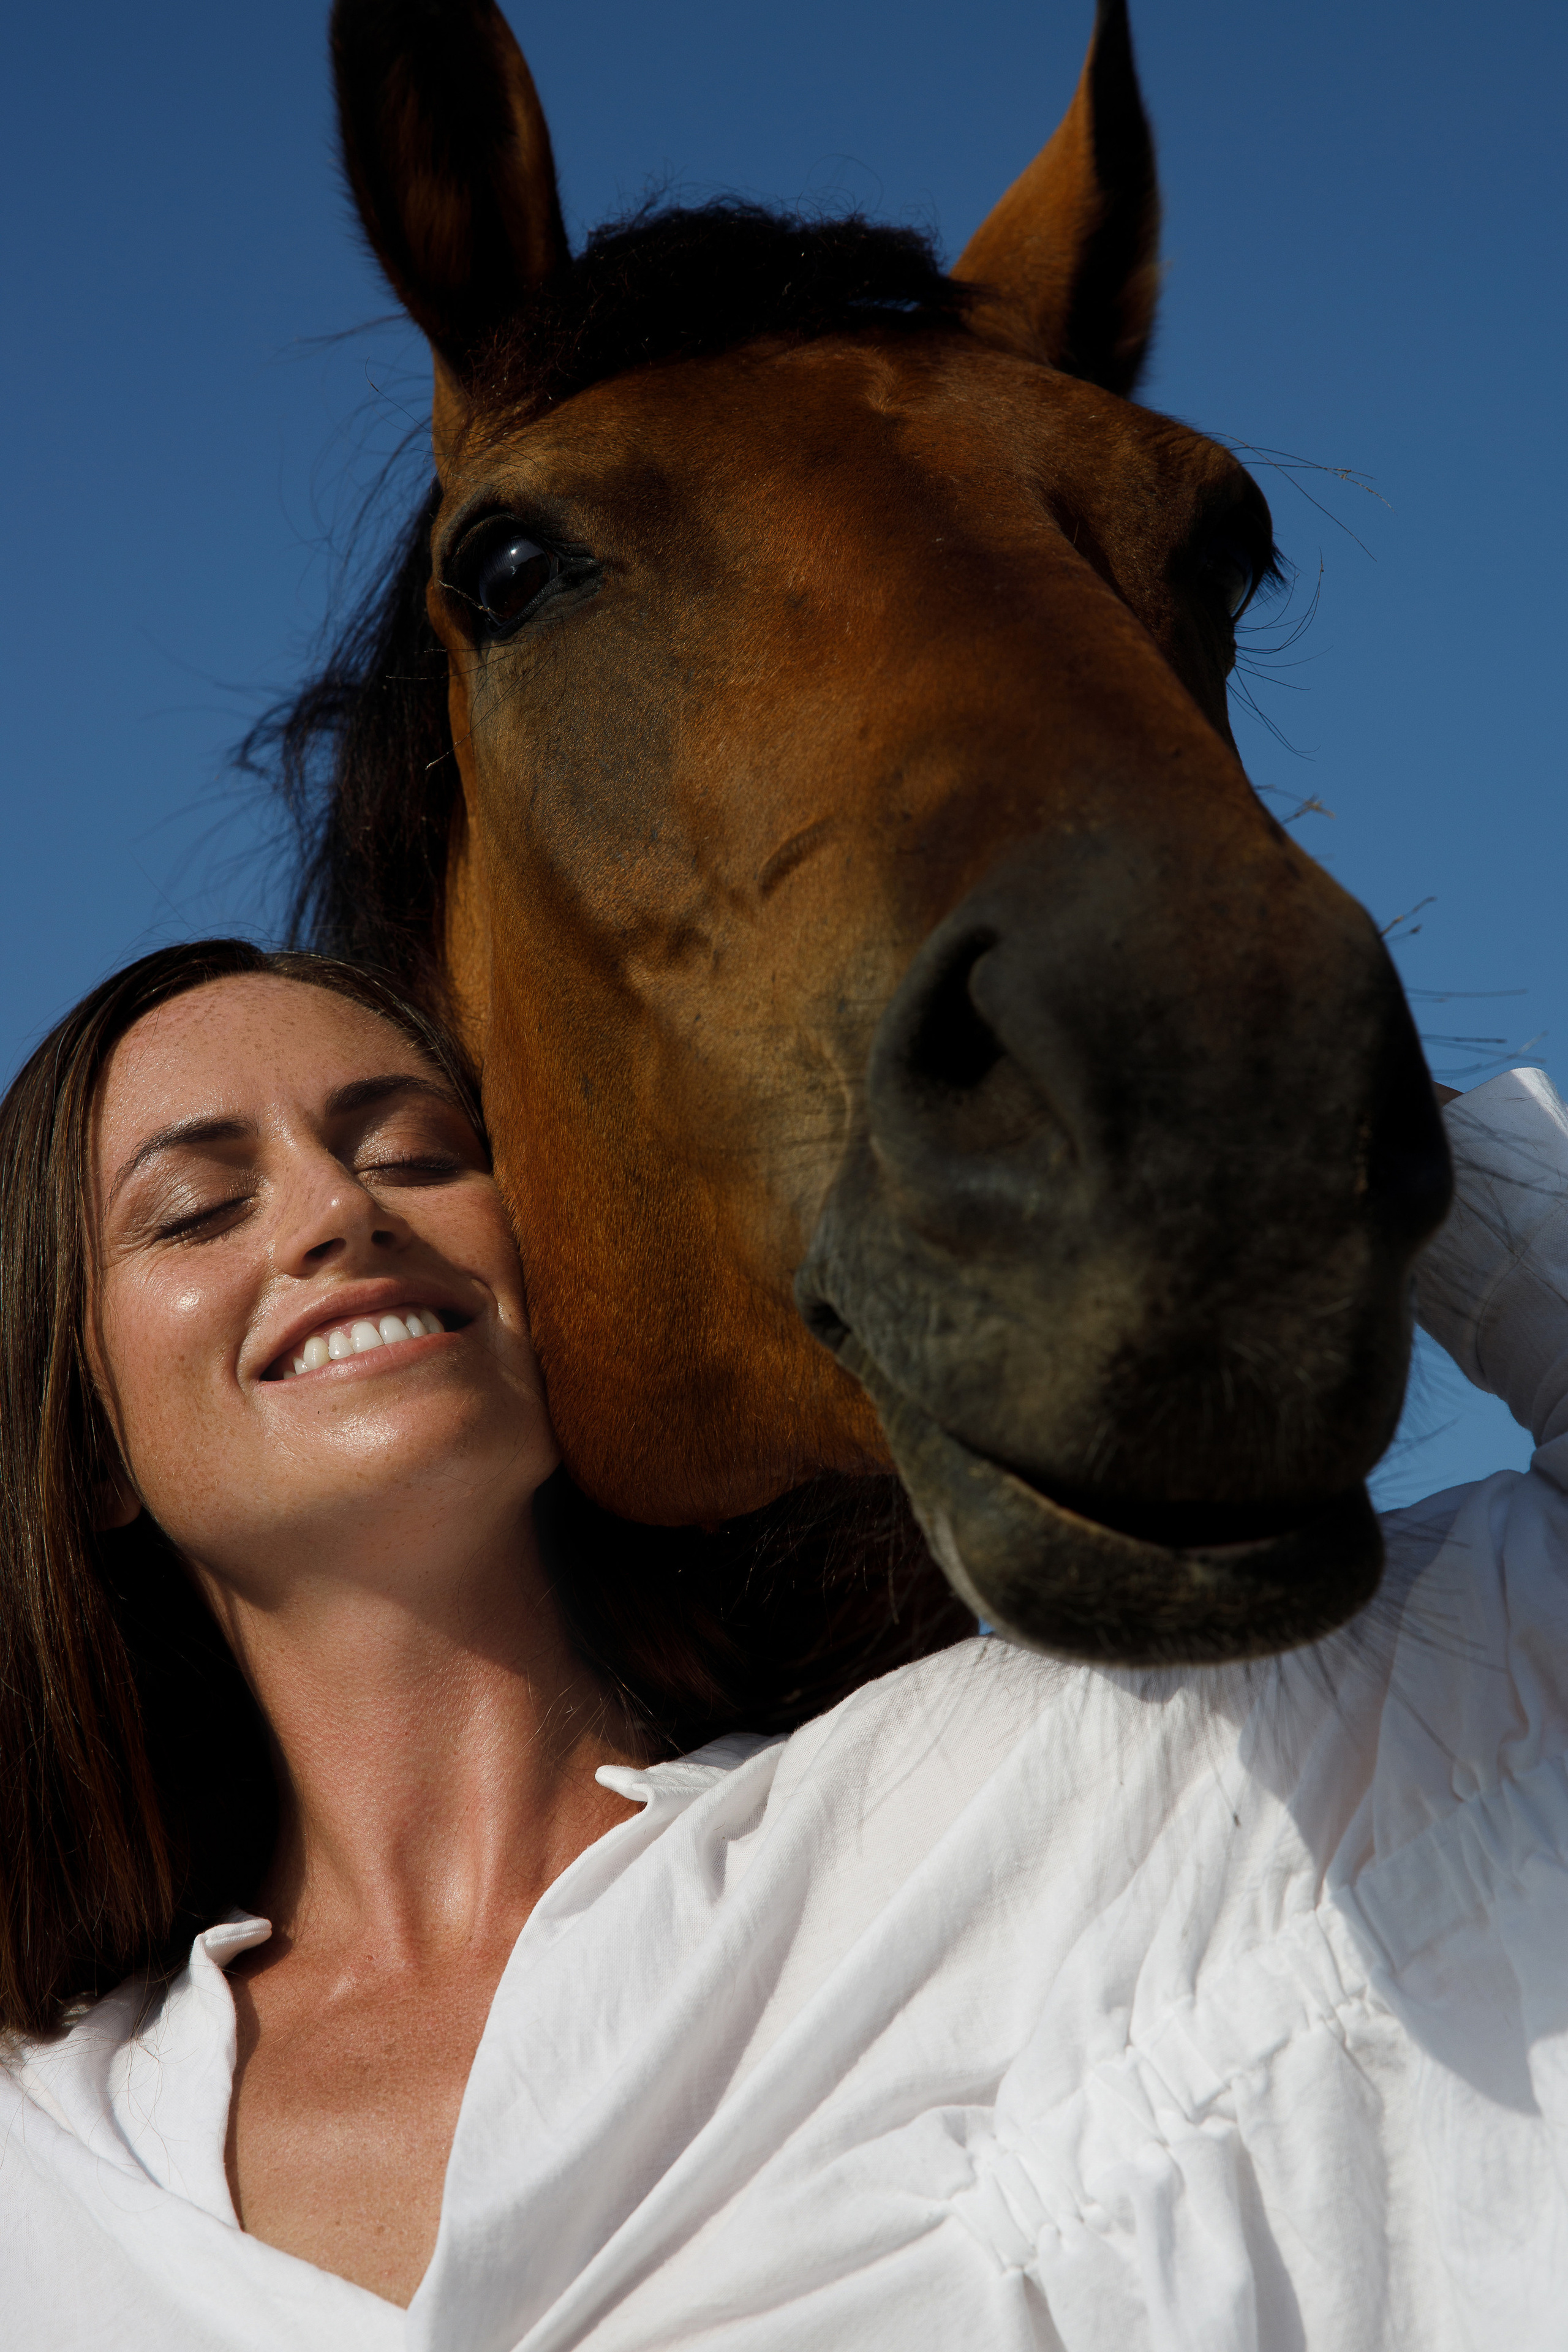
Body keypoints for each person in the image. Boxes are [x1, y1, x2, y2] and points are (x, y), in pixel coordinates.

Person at [1, 938, 1565, 2350]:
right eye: (198, 1207)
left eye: (415, 1152)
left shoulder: (1003, 1822)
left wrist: (1300, 1099)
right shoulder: (50, 2164)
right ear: (79, 1449)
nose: (342, 1214)